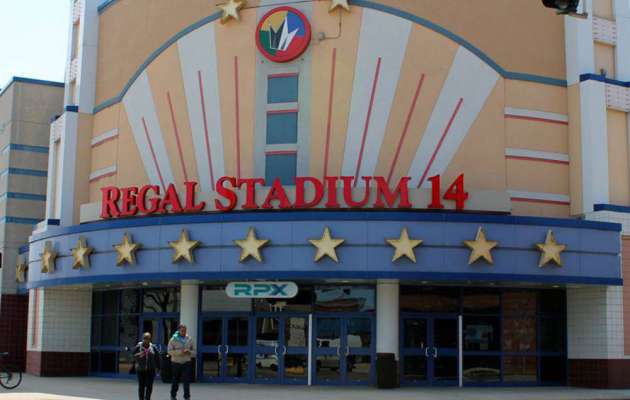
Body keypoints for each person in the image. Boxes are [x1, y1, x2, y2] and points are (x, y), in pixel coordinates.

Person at [168, 324, 195, 400]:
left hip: (186, 362)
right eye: (182, 331)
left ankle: (187, 397)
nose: (184, 332)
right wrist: (180, 352)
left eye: (185, 331)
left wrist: (189, 352)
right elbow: (169, 351)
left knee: (186, 381)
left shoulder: (189, 339)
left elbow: (195, 352)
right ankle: (173, 395)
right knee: (175, 380)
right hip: (176, 362)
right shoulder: (173, 339)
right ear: (179, 330)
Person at [132, 332, 161, 400]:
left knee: (149, 386)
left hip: (151, 370)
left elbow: (157, 358)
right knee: (141, 386)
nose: (146, 340)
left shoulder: (153, 347)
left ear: (150, 339)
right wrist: (139, 355)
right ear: (143, 339)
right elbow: (133, 355)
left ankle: (147, 398)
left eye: (147, 338)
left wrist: (158, 368)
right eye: (145, 338)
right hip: (140, 370)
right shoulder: (139, 346)